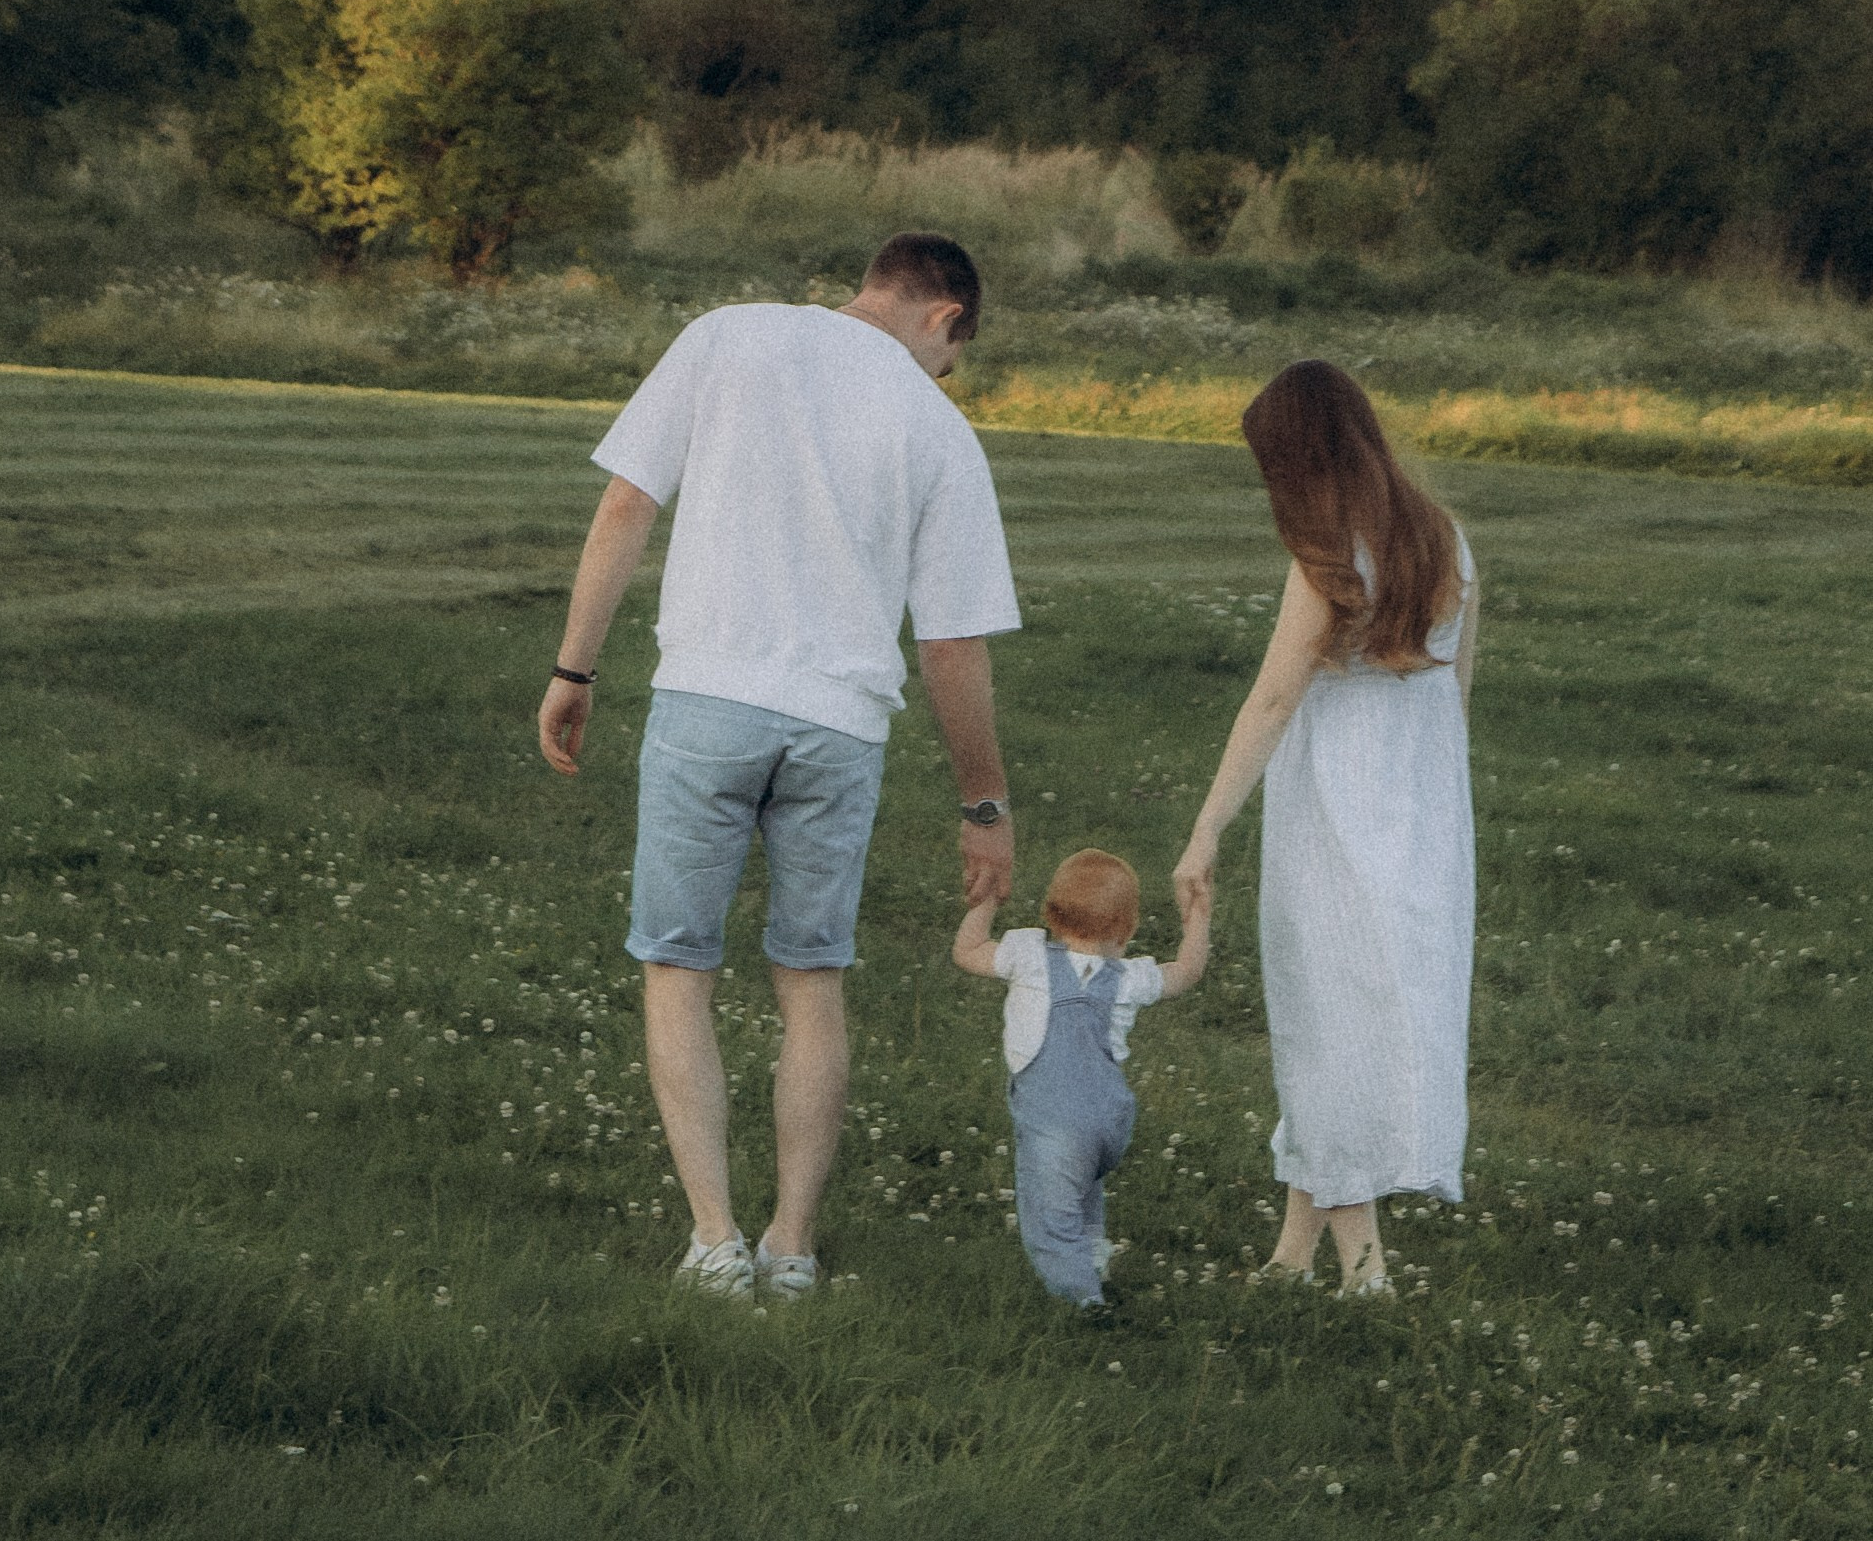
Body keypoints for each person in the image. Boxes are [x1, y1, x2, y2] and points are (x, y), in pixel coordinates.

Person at [537, 232, 1021, 1304]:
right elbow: (950, 647)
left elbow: (625, 505)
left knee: (677, 965)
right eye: (958, 353)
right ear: (944, 318)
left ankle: (713, 1239)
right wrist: (982, 801)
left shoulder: (726, 335)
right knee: (810, 979)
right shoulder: (937, 428)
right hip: (838, 726)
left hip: (704, 699)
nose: (950, 373)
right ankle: (789, 1245)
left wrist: (575, 665)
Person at [1172, 358, 1477, 1295]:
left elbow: (1270, 701)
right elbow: (1456, 698)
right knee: (1333, 1017)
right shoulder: (1450, 543)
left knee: (1331, 1026)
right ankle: (1291, 1253)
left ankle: (1367, 1272)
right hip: (1423, 818)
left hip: (1338, 819)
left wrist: (1206, 828)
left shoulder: (1329, 562)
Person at [953, 846, 1209, 1309]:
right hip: (1109, 1124)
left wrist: (986, 900)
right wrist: (1197, 919)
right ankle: (1094, 1255)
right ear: (1128, 929)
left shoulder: (1028, 955)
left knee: (1049, 1218)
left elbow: (967, 951)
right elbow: (1186, 972)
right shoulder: (1129, 978)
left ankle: (1084, 1303)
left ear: (1051, 913)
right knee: (1084, 1184)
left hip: (1053, 1123)